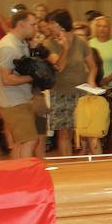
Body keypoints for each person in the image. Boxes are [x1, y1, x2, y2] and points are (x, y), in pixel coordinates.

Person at [0, 10, 41, 159]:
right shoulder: (8, 47)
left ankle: (16, 175)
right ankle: (25, 176)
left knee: (21, 142)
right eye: (33, 25)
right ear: (21, 24)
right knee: (30, 140)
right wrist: (33, 76)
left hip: (19, 99)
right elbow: (6, 79)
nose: (36, 28)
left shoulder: (20, 43)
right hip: (12, 102)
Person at [45, 10, 94, 157]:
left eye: (52, 24)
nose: (49, 27)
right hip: (60, 93)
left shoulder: (81, 43)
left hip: (80, 92)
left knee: (84, 130)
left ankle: (86, 161)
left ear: (61, 25)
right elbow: (59, 67)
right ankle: (67, 162)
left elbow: (93, 66)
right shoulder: (48, 44)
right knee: (64, 133)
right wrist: (65, 49)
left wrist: (91, 80)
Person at [89, 16, 112, 89]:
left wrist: (109, 78)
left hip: (111, 84)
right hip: (93, 84)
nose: (102, 29)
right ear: (95, 28)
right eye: (99, 26)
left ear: (109, 29)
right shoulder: (89, 43)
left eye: (105, 26)